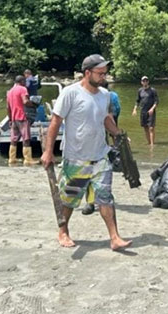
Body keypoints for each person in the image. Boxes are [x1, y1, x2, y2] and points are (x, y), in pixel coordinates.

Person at [40, 54, 131, 249]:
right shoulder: (70, 93)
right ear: (87, 72)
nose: (104, 77)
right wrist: (48, 152)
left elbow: (105, 118)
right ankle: (63, 231)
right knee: (70, 198)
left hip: (100, 156)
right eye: (100, 73)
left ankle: (114, 238)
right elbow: (55, 122)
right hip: (76, 158)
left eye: (105, 73)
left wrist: (117, 134)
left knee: (105, 197)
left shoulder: (105, 95)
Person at [6, 75, 37, 166]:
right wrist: (34, 105)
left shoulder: (10, 91)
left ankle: (12, 159)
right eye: (25, 81)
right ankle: (28, 159)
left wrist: (10, 119)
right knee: (26, 138)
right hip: (23, 116)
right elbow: (25, 102)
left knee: (14, 139)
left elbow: (8, 107)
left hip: (14, 117)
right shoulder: (23, 89)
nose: (26, 83)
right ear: (22, 81)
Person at [132, 76, 158, 145]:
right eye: (144, 81)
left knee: (151, 128)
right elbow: (137, 101)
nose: (145, 82)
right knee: (145, 128)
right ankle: (149, 143)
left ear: (148, 82)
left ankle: (152, 144)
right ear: (141, 82)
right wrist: (135, 109)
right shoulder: (140, 90)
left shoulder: (153, 90)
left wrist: (152, 108)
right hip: (143, 111)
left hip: (151, 112)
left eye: (146, 80)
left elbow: (156, 101)